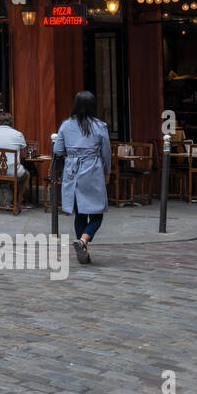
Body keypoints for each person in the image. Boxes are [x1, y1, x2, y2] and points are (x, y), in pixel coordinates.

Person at [52, 91, 112, 264]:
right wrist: (107, 171)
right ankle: (83, 241)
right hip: (92, 170)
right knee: (97, 212)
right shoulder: (100, 126)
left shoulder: (65, 125)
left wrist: (72, 154)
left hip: (72, 170)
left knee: (80, 213)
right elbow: (106, 152)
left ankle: (82, 246)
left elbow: (58, 150)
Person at [0, 110, 30, 199]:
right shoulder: (18, 134)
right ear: (12, 123)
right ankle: (18, 200)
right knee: (27, 174)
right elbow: (24, 153)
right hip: (12, 172)